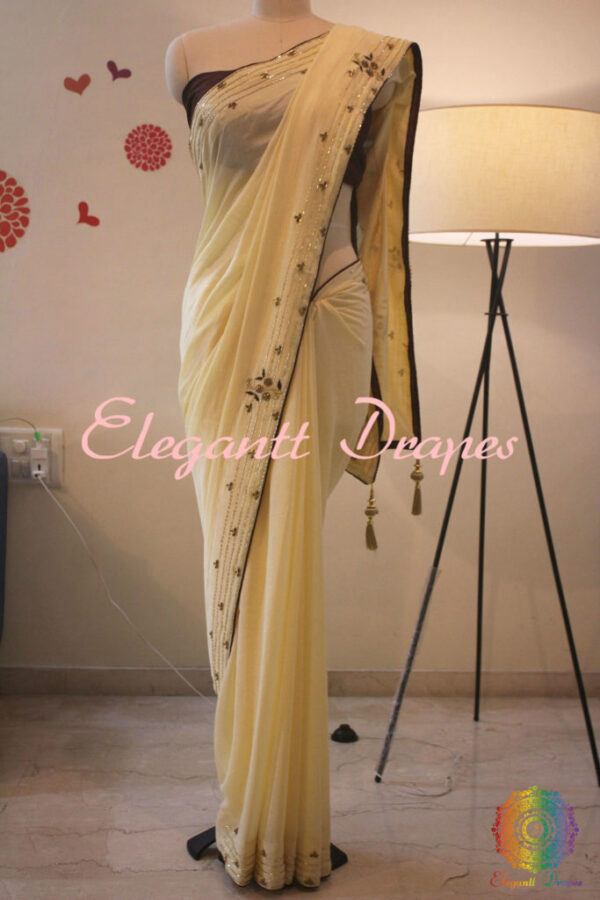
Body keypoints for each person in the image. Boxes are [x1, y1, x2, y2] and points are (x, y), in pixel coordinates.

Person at [166, 2, 423, 890]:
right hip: (221, 319)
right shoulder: (187, 54)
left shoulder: (372, 60)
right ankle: (248, 795)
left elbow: (375, 211)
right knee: (232, 557)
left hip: (322, 314)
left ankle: (282, 817)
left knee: (286, 557)